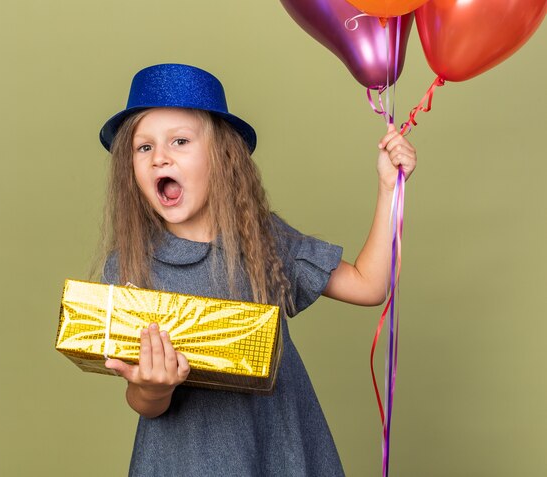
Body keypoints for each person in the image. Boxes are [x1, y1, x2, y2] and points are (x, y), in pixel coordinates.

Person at [99, 63, 416, 476]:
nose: (160, 157)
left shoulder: (261, 239)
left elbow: (370, 285)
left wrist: (390, 188)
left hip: (279, 453)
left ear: (223, 155)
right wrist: (151, 387)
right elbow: (145, 403)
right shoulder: (129, 268)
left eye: (179, 141)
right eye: (144, 148)